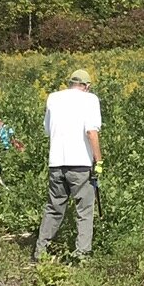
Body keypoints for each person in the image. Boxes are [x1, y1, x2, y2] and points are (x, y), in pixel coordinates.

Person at [34, 68, 102, 261]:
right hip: (80, 164)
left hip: (56, 163)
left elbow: (47, 130)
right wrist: (99, 161)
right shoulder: (90, 100)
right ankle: (82, 254)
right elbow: (91, 133)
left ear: (70, 83)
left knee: (54, 208)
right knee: (84, 210)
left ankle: (41, 252)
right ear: (87, 86)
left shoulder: (53, 98)